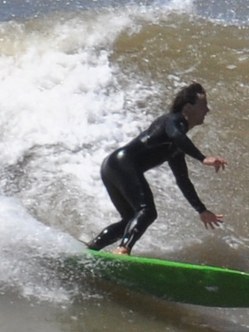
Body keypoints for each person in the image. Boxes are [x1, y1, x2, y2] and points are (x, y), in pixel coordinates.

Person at [87, 82, 227, 255]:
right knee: (147, 211)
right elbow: (176, 134)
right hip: (122, 164)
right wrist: (203, 158)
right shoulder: (173, 121)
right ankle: (123, 249)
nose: (207, 110)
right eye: (203, 105)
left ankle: (92, 249)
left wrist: (201, 209)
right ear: (188, 107)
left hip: (113, 166)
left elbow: (182, 180)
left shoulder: (175, 146)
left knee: (131, 219)